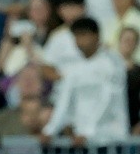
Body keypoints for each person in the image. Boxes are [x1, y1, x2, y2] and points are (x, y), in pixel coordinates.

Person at [40, 18, 129, 147]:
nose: (79, 41)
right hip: (82, 141)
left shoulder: (112, 64)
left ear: (96, 36)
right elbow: (64, 101)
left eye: (83, 35)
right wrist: (50, 130)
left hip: (111, 139)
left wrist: (88, 132)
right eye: (76, 37)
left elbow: (108, 100)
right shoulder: (74, 68)